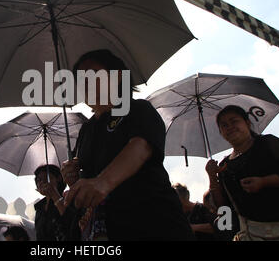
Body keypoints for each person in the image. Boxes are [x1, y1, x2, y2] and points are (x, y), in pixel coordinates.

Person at [62, 49, 195, 241]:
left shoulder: (138, 110)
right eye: (80, 78)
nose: (85, 82)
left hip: (156, 226)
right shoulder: (86, 130)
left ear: (117, 76)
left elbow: (140, 148)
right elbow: (89, 179)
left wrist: (103, 182)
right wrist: (73, 178)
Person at [205, 105, 279, 241]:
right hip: (251, 234)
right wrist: (212, 176)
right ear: (221, 132)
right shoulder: (224, 166)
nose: (230, 127)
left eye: (234, 121)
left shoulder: (268, 144)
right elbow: (223, 207)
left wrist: (264, 182)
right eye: (224, 125)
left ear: (247, 123)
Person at [33, 164, 80, 241]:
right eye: (38, 180)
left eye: (45, 178)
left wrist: (54, 194)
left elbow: (72, 223)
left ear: (58, 178)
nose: (41, 182)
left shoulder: (69, 198)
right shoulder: (39, 208)